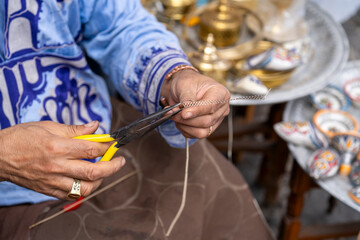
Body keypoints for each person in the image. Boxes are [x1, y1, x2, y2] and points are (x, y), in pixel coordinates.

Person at [0, 0, 274, 239]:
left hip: (97, 126)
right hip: (9, 193)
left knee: (220, 195)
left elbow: (119, 25)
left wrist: (174, 77)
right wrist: (6, 156)